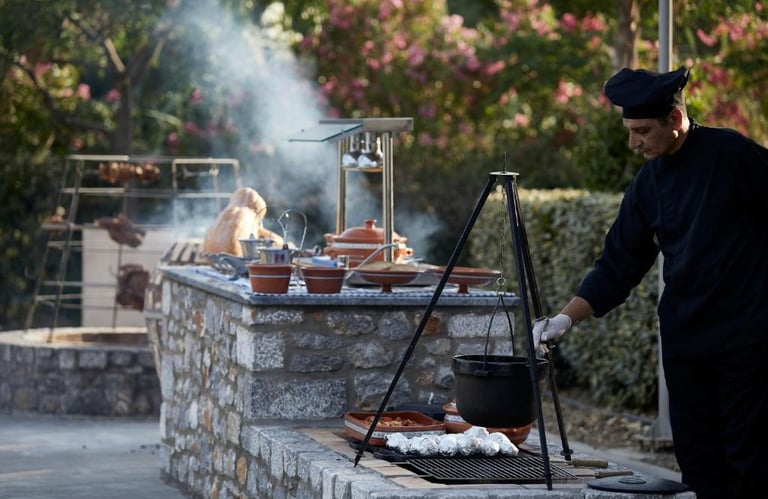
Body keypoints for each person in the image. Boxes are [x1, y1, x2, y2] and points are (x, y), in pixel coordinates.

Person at [533, 66, 768, 498]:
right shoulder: (648, 183)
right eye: (628, 130)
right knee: (698, 464)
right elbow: (618, 264)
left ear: (674, 120)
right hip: (686, 341)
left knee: (750, 459)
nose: (632, 142)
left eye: (641, 130)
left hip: (747, 339)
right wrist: (564, 320)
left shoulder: (732, 154)